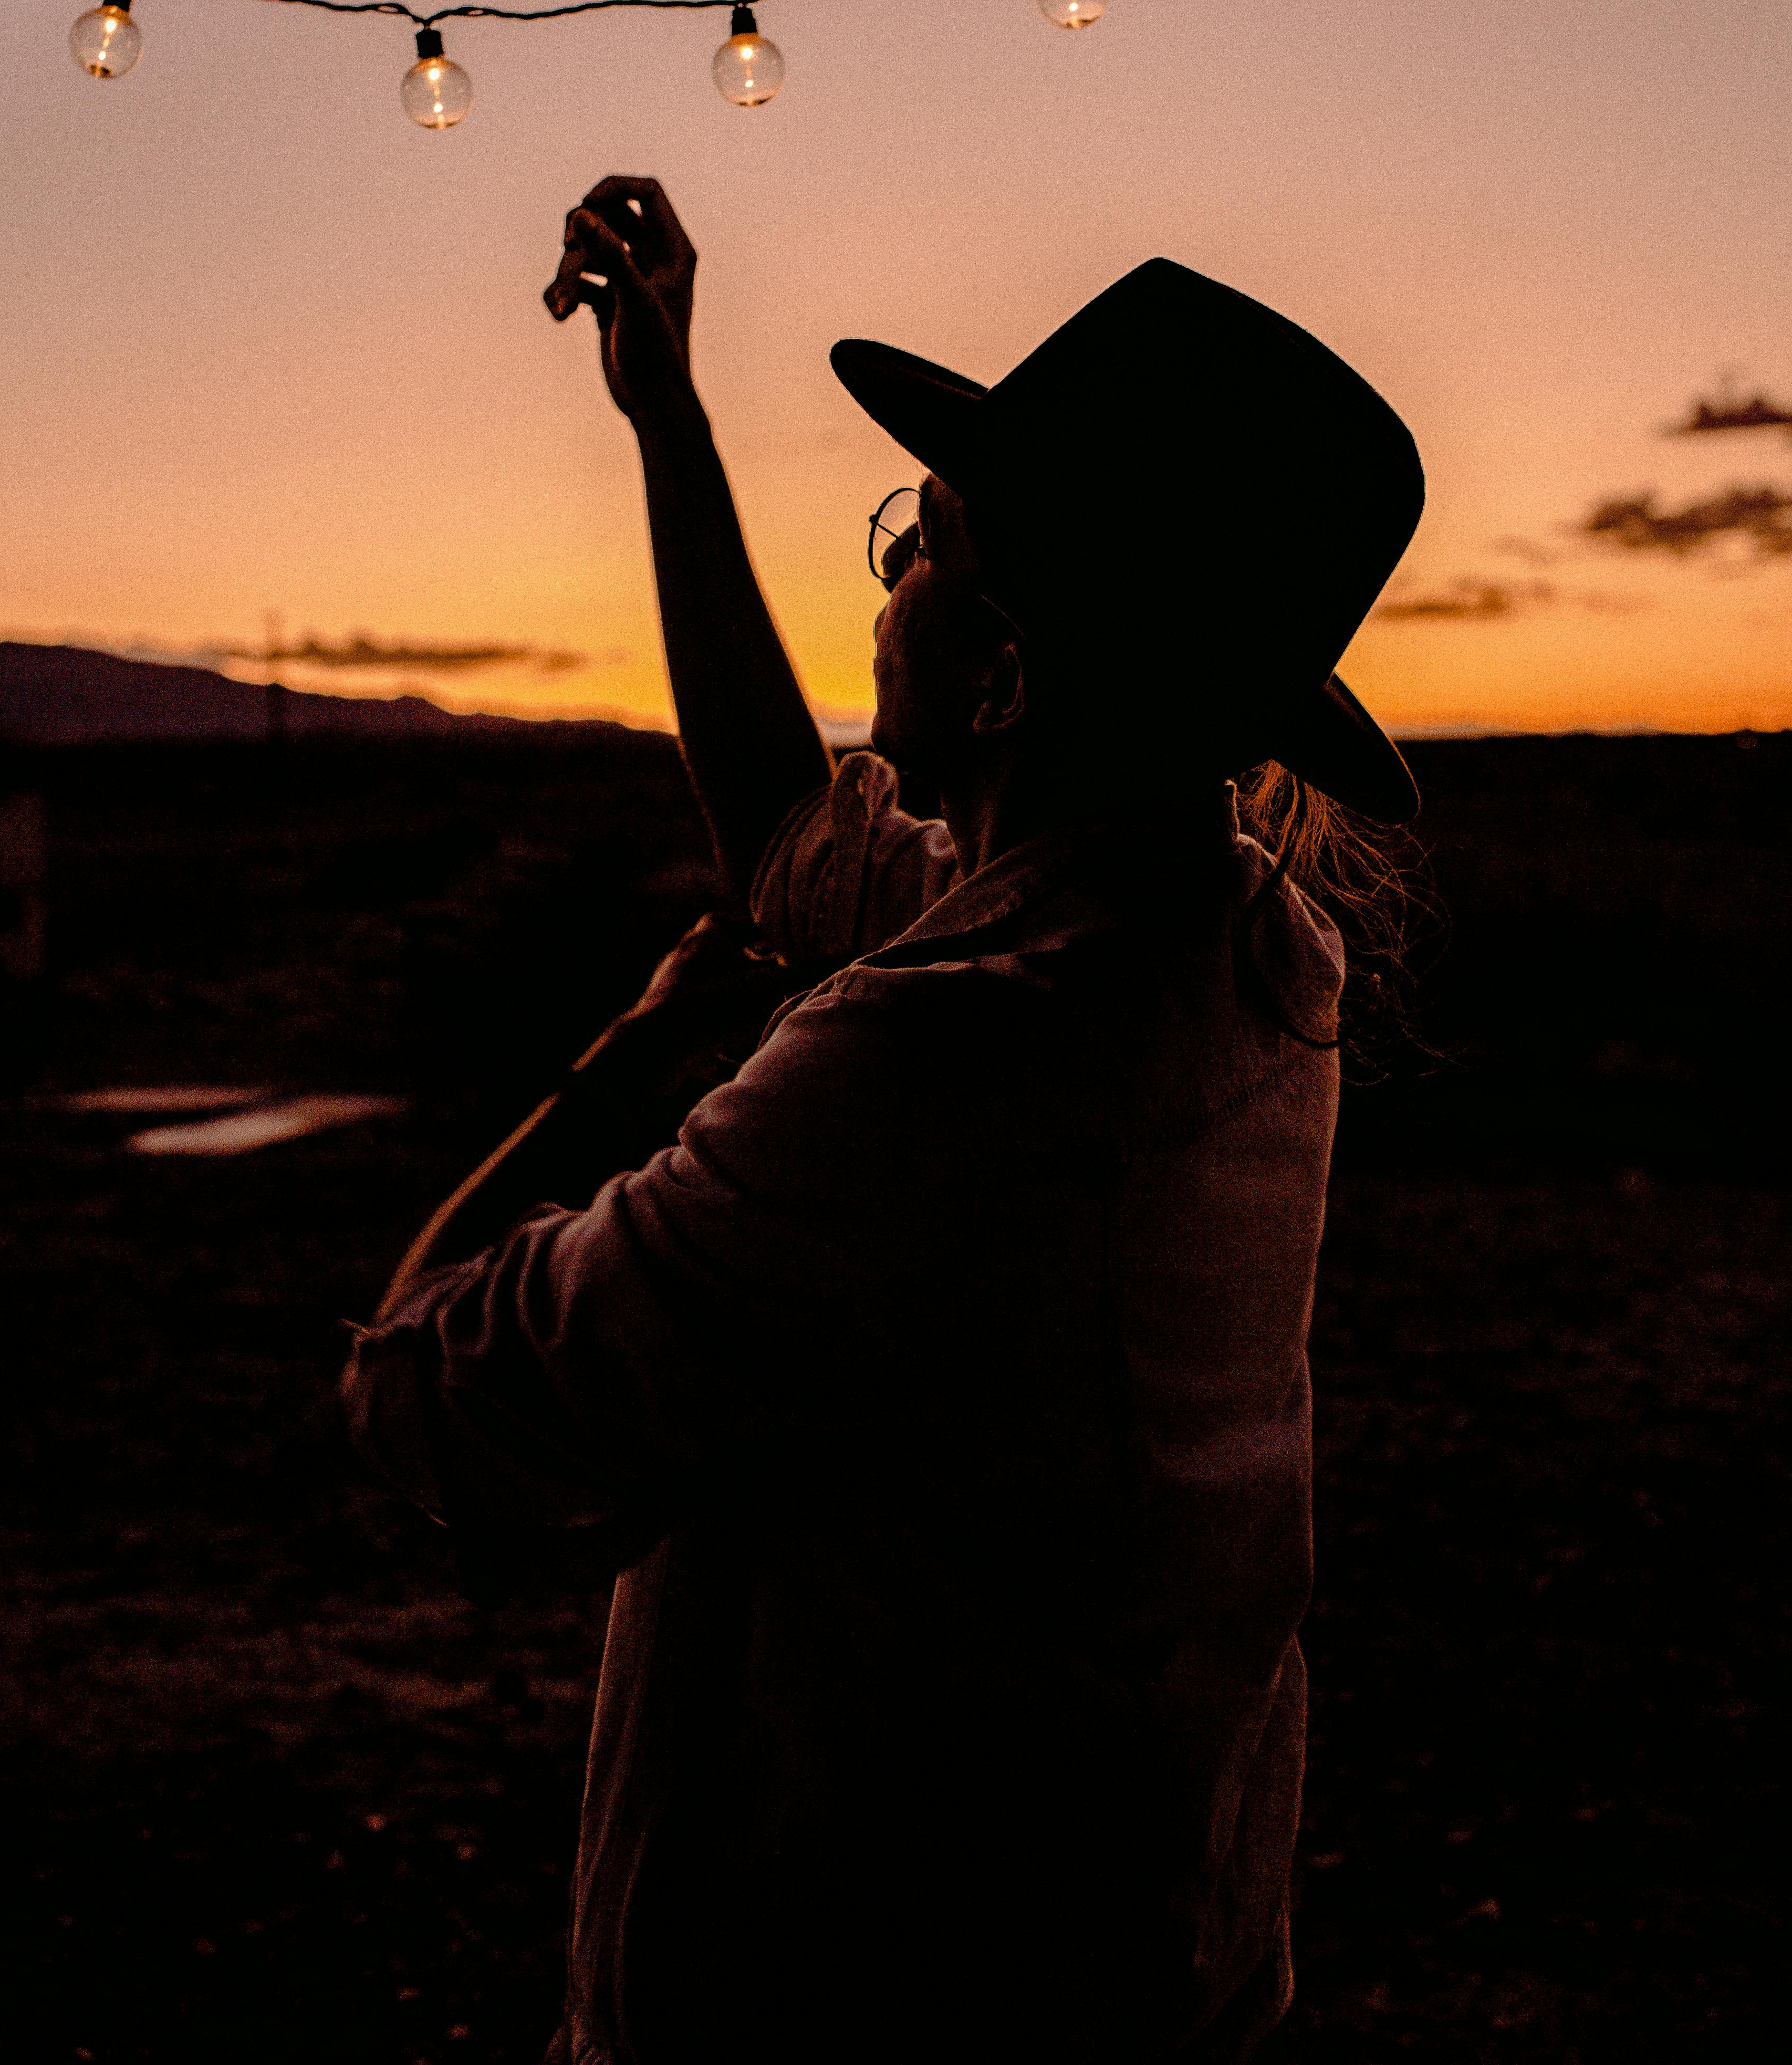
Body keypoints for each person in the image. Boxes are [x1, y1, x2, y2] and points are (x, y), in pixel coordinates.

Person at [343, 176, 1426, 2064]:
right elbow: (792, 832)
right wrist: (667, 417)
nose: (891, 592)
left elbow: (432, 1397)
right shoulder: (1235, 934)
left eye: (921, 548)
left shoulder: (950, 1055)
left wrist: (635, 1051)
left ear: (1007, 666)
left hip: (848, 1977)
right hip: (1133, 1949)